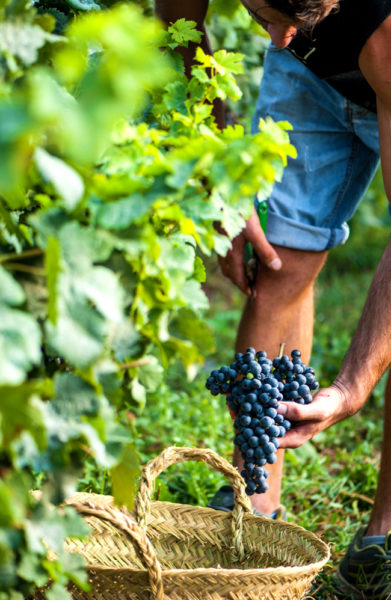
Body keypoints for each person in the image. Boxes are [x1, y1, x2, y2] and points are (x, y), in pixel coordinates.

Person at [155, 0, 391, 597]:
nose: (279, 40)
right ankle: (253, 510)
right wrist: (224, 169)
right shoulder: (293, 41)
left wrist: (350, 386)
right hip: (314, 80)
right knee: (278, 259)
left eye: (296, 22)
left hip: (383, 54)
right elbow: (179, 26)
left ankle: (381, 543)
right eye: (261, 16)